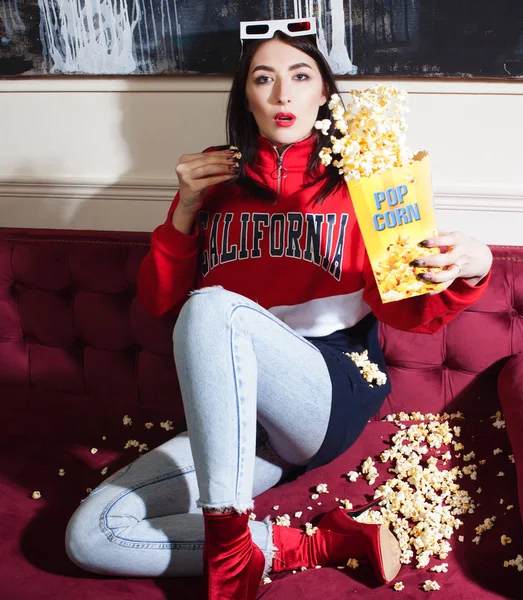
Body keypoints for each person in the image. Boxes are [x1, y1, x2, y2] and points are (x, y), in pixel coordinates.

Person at [64, 17, 492, 600]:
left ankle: (233, 560)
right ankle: (316, 543)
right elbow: (162, 303)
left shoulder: (366, 176)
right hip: (236, 414)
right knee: (92, 537)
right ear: (246, 95)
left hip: (326, 391)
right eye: (264, 78)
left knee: (215, 307)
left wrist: (475, 264)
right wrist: (185, 210)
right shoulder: (214, 180)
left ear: (323, 92)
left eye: (300, 76)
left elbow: (412, 314)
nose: (283, 94)